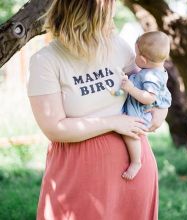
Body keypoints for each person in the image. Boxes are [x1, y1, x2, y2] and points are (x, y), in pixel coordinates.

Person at [27, 0, 168, 219]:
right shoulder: (45, 61)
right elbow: (54, 128)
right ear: (85, 17)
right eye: (107, 12)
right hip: (79, 174)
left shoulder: (117, 45)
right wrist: (113, 122)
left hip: (133, 168)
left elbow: (150, 81)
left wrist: (161, 110)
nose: (112, 18)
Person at [120, 31, 172, 180]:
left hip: (141, 111)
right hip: (142, 108)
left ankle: (136, 161)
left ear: (142, 60)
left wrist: (130, 88)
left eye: (135, 54)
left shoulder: (150, 76)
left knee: (130, 132)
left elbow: (149, 98)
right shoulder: (157, 70)